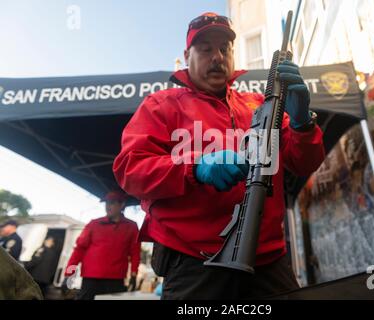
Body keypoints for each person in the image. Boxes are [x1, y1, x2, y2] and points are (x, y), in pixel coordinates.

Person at [113, 12, 325, 300]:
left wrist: (302, 123)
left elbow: (304, 162)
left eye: (225, 49)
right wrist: (195, 167)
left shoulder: (260, 106)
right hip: (193, 262)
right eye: (206, 49)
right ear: (187, 55)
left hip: (268, 260)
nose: (217, 56)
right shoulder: (160, 106)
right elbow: (130, 169)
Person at [64, 190, 141, 300]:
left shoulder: (132, 226)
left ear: (122, 204)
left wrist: (134, 275)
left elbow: (135, 253)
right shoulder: (94, 224)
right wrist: (69, 273)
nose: (108, 206)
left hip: (115, 279)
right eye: (107, 203)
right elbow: (79, 250)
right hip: (90, 278)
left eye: (112, 203)